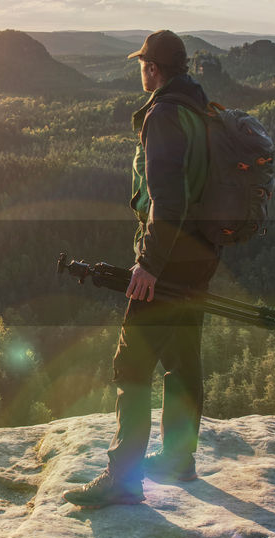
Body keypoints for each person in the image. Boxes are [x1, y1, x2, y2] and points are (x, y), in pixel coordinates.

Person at [64, 30, 221, 507]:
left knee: (131, 365)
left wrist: (148, 266)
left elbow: (167, 201)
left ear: (152, 68)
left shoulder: (164, 114)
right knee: (181, 358)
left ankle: (123, 478)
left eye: (143, 64)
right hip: (200, 257)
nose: (141, 70)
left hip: (168, 260)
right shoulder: (200, 108)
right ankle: (178, 458)